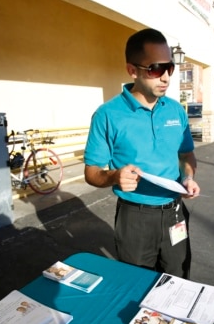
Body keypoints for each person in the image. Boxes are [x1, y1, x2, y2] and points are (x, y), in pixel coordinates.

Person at [84, 28, 200, 278]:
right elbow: (92, 172)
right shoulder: (107, 114)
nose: (165, 77)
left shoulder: (176, 111)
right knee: (136, 284)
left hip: (175, 212)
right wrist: (114, 177)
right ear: (132, 70)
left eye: (169, 68)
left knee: (178, 282)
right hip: (134, 217)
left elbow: (186, 155)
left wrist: (188, 177)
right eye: (155, 69)